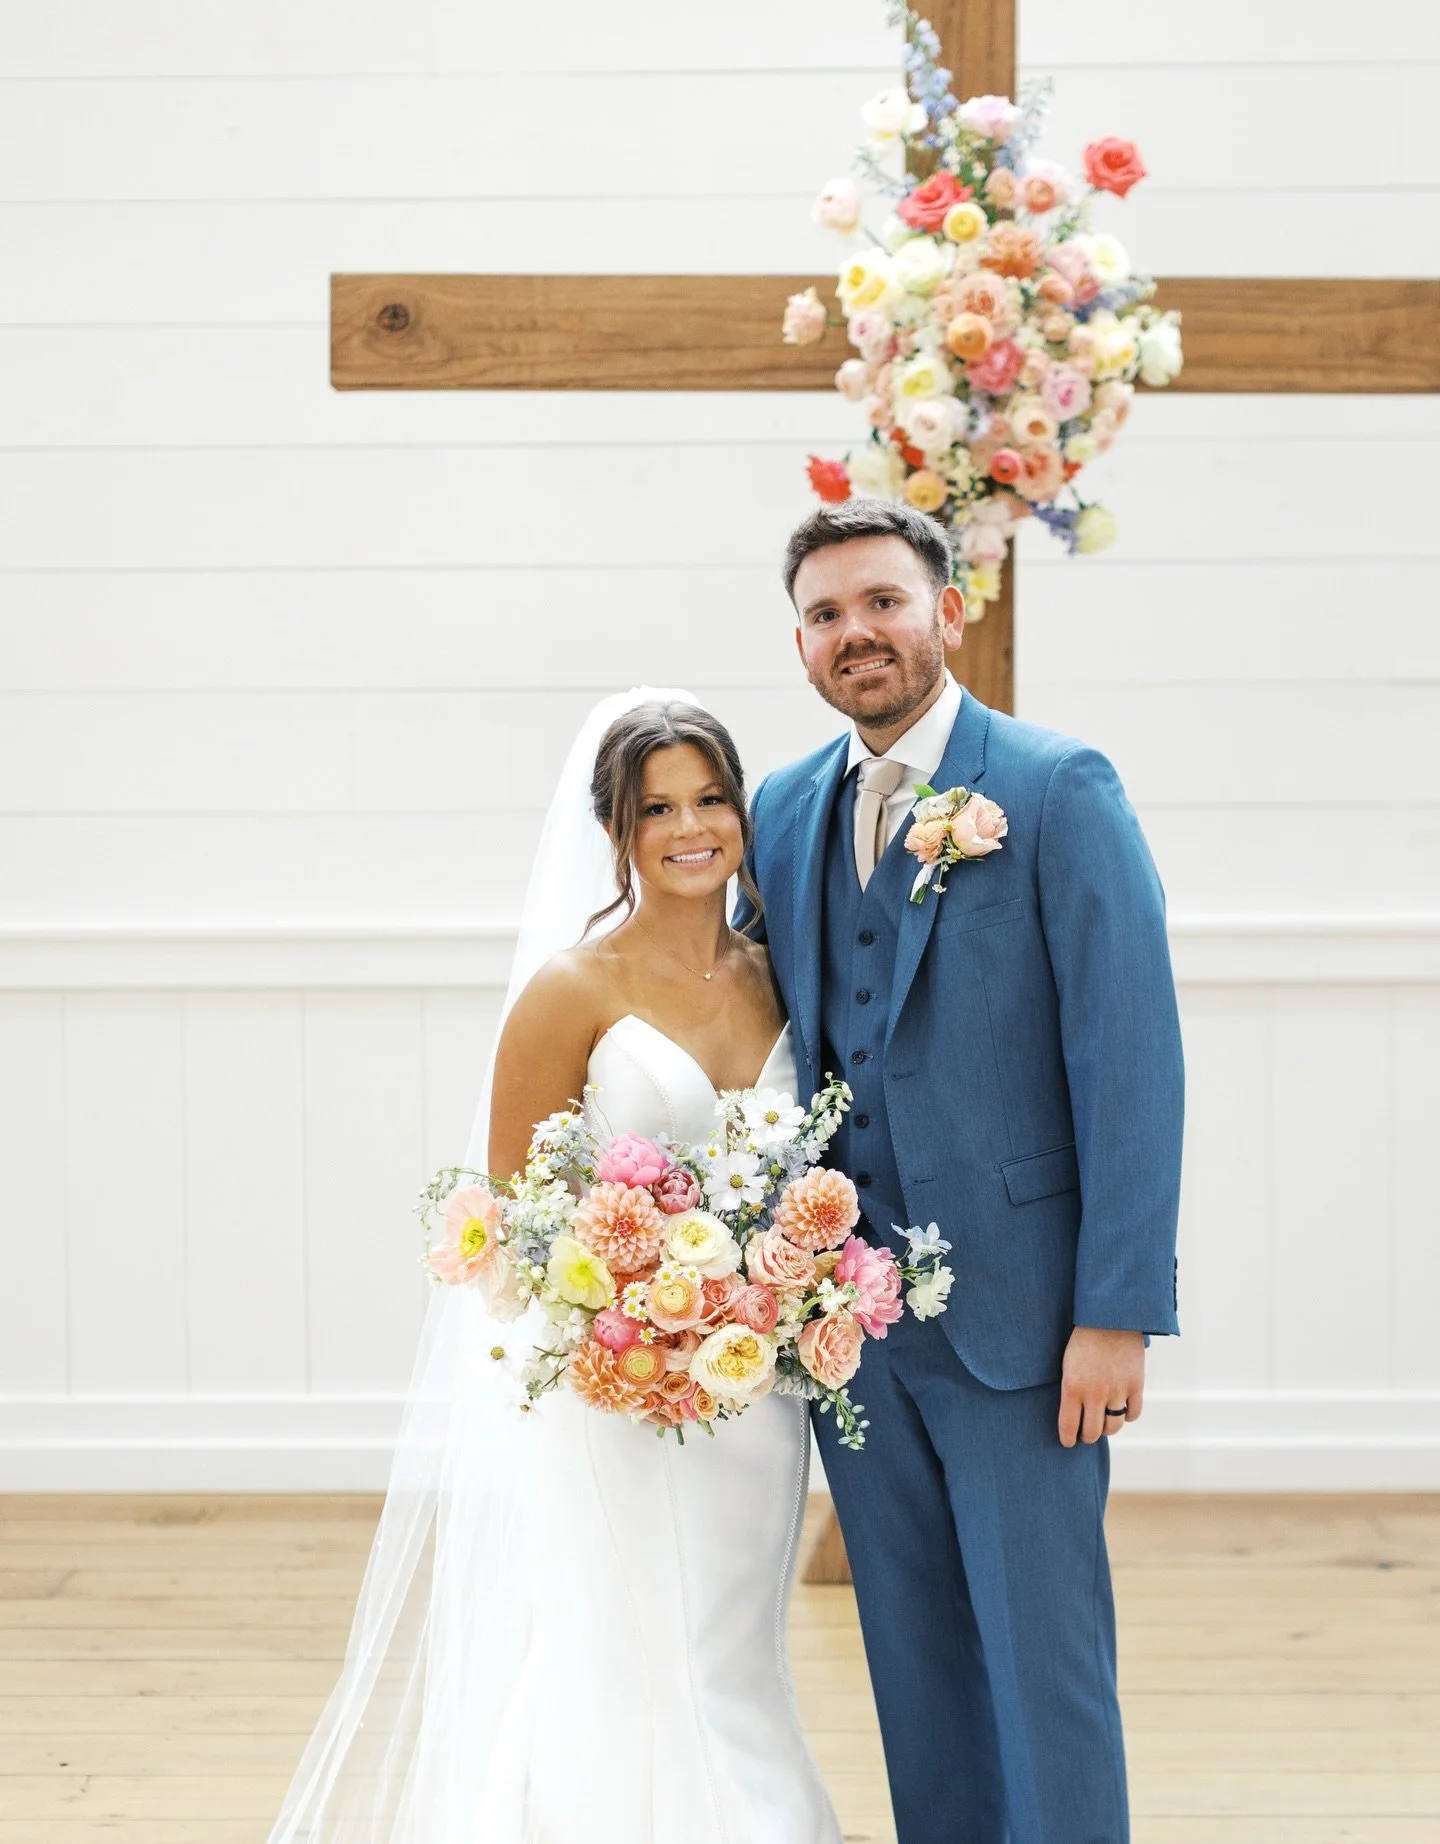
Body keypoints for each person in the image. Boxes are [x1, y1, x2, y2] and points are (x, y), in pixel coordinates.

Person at [268, 691, 841, 1844]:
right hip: (618, 1385)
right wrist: (634, 1314)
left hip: (757, 1383)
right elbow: (515, 1215)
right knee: (634, 1637)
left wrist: (771, 1293)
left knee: (732, 1638)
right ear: (617, 829)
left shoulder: (783, 974)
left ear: (742, 808)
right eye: (657, 807)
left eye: (711, 797)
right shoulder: (573, 989)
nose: (691, 827)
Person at [738, 499, 1184, 1844]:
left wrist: (1117, 1310)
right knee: (916, 1671)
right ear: (802, 645)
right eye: (825, 615)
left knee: (1046, 1670)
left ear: (947, 608)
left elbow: (1132, 1061)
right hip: (851, 1328)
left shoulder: (1055, 789)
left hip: (1028, 1327)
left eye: (880, 601)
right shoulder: (783, 806)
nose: (854, 633)